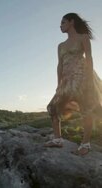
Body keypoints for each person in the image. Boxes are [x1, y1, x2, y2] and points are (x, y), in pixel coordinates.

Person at [44, 13, 102, 155]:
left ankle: (85, 144)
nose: (60, 25)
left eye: (63, 22)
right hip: (66, 80)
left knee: (85, 108)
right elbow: (59, 65)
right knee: (52, 107)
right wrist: (58, 84)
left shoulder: (83, 38)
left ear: (72, 22)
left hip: (82, 77)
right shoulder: (61, 45)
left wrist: (89, 79)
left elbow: (89, 58)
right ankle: (58, 140)